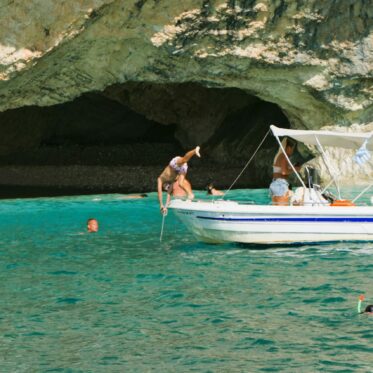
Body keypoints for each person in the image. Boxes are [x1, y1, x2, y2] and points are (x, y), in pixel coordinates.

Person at [157, 146, 201, 214]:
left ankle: (194, 150)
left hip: (173, 165)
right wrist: (165, 207)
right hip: (180, 170)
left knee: (184, 160)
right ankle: (190, 194)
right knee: (180, 183)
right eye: (166, 188)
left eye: (165, 187)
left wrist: (160, 204)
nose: (166, 187)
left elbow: (160, 193)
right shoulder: (171, 182)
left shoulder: (160, 179)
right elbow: (168, 195)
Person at [270, 137, 300, 205]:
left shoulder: (279, 156)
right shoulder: (283, 156)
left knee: (276, 210)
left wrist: (292, 168)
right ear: (289, 148)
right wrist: (295, 169)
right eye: (293, 149)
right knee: (283, 208)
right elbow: (284, 172)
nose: (292, 151)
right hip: (280, 184)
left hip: (275, 183)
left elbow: (281, 170)